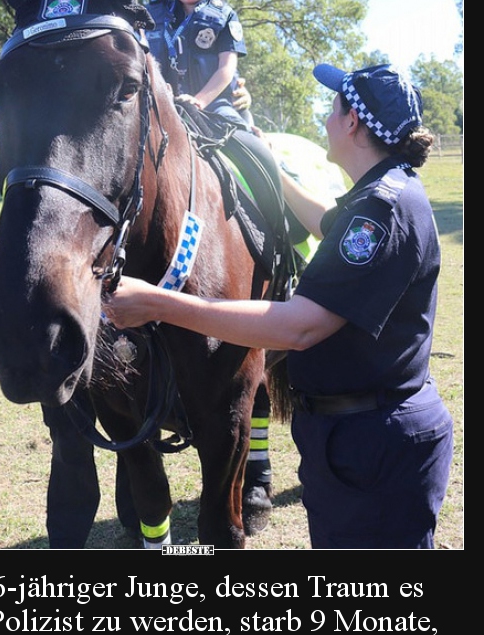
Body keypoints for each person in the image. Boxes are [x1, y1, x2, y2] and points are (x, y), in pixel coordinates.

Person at [103, 62, 454, 550]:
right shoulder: (378, 194)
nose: (326, 118)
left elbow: (297, 328)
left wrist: (160, 303)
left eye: (333, 107)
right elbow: (324, 224)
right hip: (355, 435)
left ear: (352, 122)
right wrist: (269, 164)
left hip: (373, 444)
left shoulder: (382, 211)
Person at [145, 0, 254, 129]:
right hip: (162, 108)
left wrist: (200, 101)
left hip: (215, 105)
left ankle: (270, 163)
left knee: (247, 142)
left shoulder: (224, 16)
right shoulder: (153, 16)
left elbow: (226, 68)